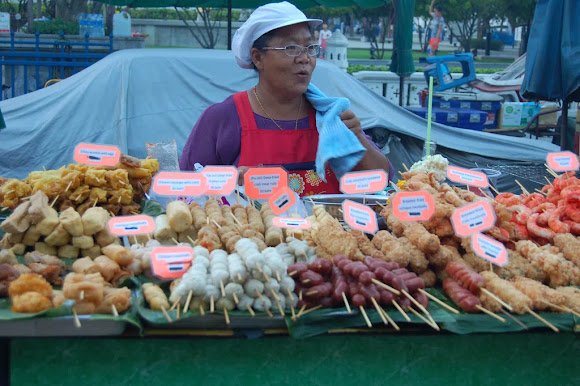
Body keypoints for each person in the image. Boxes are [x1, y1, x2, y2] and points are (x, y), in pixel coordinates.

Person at [179, 1, 390, 197]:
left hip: (330, 234)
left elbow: (382, 179)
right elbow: (187, 190)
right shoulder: (222, 118)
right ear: (258, 58)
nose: (304, 58)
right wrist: (229, 184)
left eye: (310, 47)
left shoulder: (331, 117)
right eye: (290, 48)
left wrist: (359, 140)